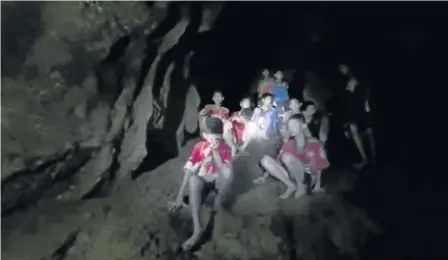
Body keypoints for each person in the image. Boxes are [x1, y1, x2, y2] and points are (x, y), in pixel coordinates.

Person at [169, 117, 233, 251]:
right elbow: (189, 169)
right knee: (193, 179)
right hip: (205, 180)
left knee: (227, 175)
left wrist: (216, 153)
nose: (215, 142)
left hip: (219, 183)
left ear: (221, 136)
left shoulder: (225, 148)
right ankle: (198, 229)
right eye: (212, 138)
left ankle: (217, 200)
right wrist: (180, 194)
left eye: (218, 138)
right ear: (204, 136)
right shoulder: (200, 146)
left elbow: (226, 174)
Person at [253, 114, 330, 198]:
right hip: (293, 175)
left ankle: (301, 187)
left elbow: (320, 164)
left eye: (294, 125)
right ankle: (291, 186)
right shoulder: (289, 143)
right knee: (265, 160)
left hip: (308, 177)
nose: (290, 128)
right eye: (289, 126)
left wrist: (317, 186)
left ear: (303, 126)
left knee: (286, 157)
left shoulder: (314, 142)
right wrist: (264, 177)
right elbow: (278, 161)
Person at [339, 64, 375, 169]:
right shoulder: (349, 82)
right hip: (358, 113)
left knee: (368, 135)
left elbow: (361, 102)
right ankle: (367, 159)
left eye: (342, 67)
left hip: (360, 113)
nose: (340, 70)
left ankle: (370, 160)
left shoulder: (357, 82)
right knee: (362, 134)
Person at [199, 90, 237, 156]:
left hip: (220, 131)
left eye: (219, 96)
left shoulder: (225, 110)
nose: (217, 97)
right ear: (212, 98)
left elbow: (225, 121)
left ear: (223, 98)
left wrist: (222, 119)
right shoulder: (208, 107)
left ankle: (232, 149)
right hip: (208, 130)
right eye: (215, 96)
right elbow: (202, 115)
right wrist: (202, 114)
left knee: (227, 124)